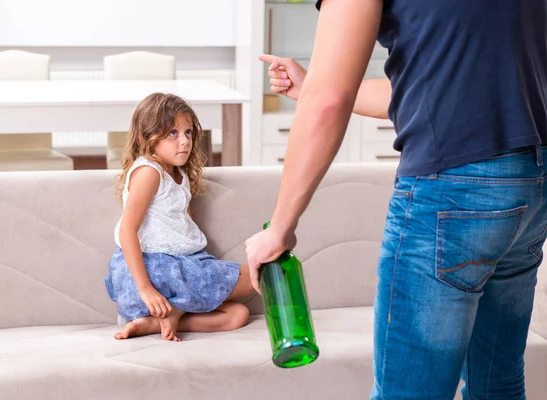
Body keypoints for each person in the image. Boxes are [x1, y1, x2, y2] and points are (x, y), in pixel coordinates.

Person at [246, 0, 547, 399]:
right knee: (497, 386)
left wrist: (279, 227)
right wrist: (313, 85)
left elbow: (329, 98)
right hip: (530, 181)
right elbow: (444, 85)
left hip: (452, 189)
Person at [105, 93, 253, 342]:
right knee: (256, 277)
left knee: (238, 314)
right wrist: (146, 289)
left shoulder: (178, 174)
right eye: (172, 133)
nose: (184, 141)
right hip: (153, 272)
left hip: (178, 269)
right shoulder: (149, 173)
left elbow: (183, 231)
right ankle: (169, 310)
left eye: (188, 133)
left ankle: (165, 318)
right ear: (147, 138)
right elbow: (126, 231)